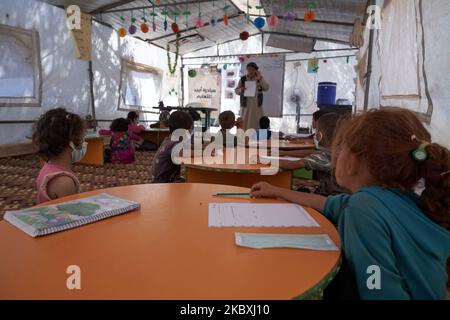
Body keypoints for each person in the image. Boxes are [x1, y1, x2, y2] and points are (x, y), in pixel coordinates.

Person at [251, 108, 450, 300]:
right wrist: (277, 191)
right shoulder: (392, 199)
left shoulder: (363, 210)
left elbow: (378, 286)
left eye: (341, 148)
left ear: (356, 160)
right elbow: (328, 203)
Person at [279, 113, 349, 195]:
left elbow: (292, 164)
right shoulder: (341, 153)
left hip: (330, 197)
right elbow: (312, 152)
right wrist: (284, 153)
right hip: (343, 196)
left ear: (320, 136)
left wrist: (265, 160)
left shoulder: (324, 156)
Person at [32, 108, 86, 204]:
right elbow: (72, 215)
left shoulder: (47, 167)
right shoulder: (65, 182)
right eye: (81, 138)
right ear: (72, 141)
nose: (83, 142)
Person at [151, 111, 194, 183]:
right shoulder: (174, 143)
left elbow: (188, 147)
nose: (191, 132)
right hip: (162, 184)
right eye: (190, 129)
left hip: (164, 180)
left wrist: (203, 148)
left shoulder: (171, 139)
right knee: (191, 185)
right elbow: (186, 153)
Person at [234, 62, 269, 130]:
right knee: (245, 124)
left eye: (252, 69)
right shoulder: (243, 79)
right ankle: (244, 138)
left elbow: (266, 88)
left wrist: (260, 78)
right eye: (249, 69)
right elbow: (236, 90)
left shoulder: (259, 79)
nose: (251, 71)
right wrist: (241, 90)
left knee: (257, 123)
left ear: (256, 70)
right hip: (245, 108)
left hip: (257, 108)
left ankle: (257, 138)